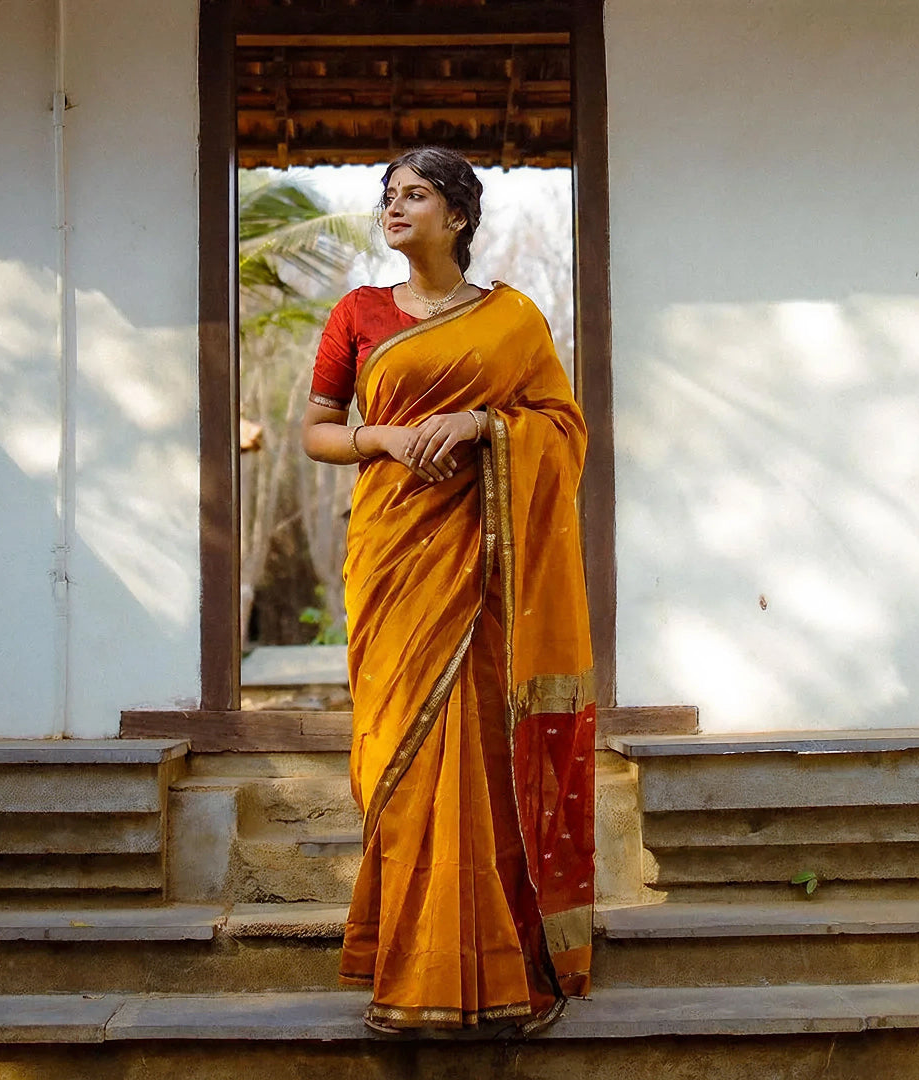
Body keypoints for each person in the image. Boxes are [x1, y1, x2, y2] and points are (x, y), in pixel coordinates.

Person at [301, 146, 595, 1034]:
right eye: (388, 195)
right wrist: (383, 440)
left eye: (415, 194)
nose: (394, 207)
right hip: (394, 557)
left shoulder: (511, 321)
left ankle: (510, 971)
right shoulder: (356, 314)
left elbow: (561, 427)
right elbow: (317, 431)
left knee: (484, 757)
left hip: (486, 565)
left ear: (458, 216)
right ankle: (410, 968)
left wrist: (479, 422)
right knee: (398, 757)